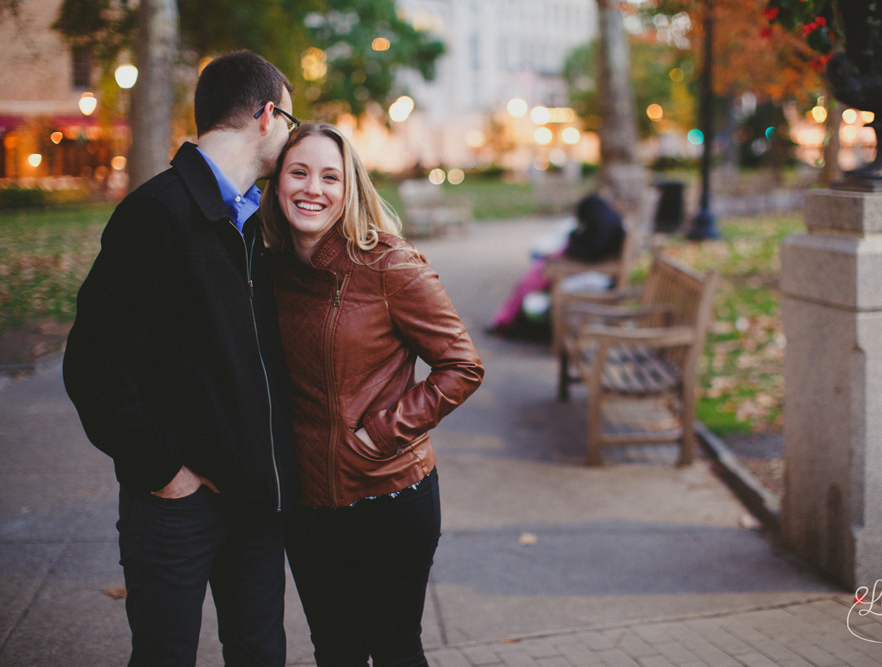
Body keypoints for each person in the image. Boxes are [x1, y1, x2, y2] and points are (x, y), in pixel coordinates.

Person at [62, 50, 299, 667]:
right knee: (165, 655)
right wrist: (165, 472)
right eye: (292, 122)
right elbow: (93, 364)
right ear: (267, 115)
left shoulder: (256, 222)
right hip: (176, 506)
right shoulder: (156, 214)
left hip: (254, 503)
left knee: (259, 653)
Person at [259, 123, 484, 666]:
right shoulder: (266, 271)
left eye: (330, 176)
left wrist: (380, 432)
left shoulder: (388, 264)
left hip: (388, 494)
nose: (313, 188)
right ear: (278, 182)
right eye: (299, 172)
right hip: (307, 502)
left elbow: (462, 365)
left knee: (393, 649)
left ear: (349, 187)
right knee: (334, 650)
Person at [487, 193, 625, 337]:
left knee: (533, 279)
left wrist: (570, 245)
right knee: (534, 274)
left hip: (589, 271)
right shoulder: (606, 220)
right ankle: (511, 320)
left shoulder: (602, 226)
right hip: (582, 266)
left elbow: (590, 252)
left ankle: (507, 321)